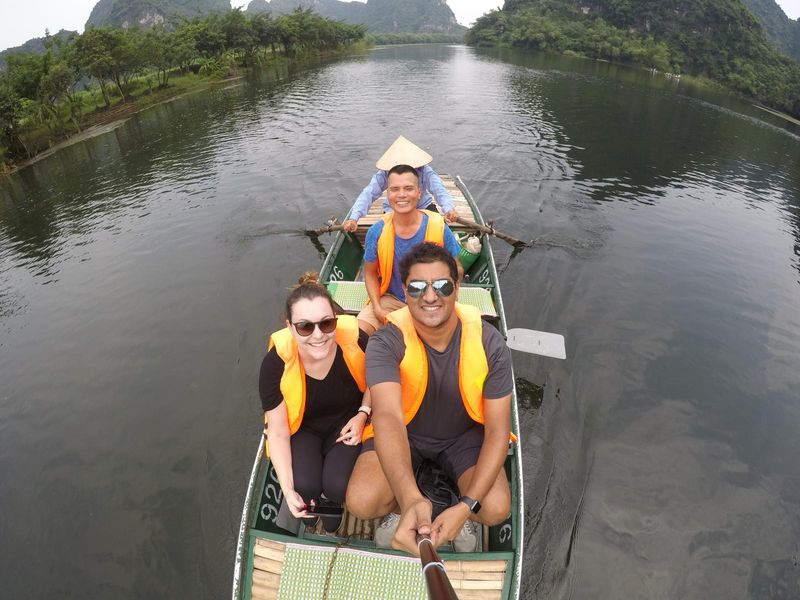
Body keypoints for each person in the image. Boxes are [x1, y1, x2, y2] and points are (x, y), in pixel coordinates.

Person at [345, 242, 513, 554]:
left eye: (442, 286)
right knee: (361, 500)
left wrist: (466, 506)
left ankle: (455, 506)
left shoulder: (491, 344)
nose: (431, 296)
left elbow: (498, 432)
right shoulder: (386, 341)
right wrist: (408, 498)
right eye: (418, 287)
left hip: (463, 438)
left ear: (457, 287)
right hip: (406, 434)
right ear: (405, 292)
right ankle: (409, 505)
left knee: (495, 507)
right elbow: (389, 419)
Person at [259, 272, 372, 532]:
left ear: (336, 319)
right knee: (304, 484)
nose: (318, 335)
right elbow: (277, 431)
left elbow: (379, 382)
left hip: (347, 424)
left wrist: (363, 414)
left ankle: (329, 499)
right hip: (303, 429)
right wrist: (287, 491)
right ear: (289, 327)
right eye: (305, 327)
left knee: (337, 485)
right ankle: (312, 495)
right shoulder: (274, 364)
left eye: (326, 324)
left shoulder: (355, 340)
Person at [357, 164, 463, 335]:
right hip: (391, 299)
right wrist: (377, 308)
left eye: (408, 188)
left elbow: (456, 268)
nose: (401, 195)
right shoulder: (377, 232)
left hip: (431, 297)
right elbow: (369, 273)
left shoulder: (438, 227)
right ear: (388, 195)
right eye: (395, 189)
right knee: (357, 334)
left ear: (419, 193)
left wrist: (447, 297)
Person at [342, 136, 459, 232]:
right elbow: (369, 193)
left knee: (443, 231)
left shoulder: (424, 170)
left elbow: (439, 190)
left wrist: (448, 209)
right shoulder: (384, 173)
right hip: (394, 209)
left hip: (423, 207)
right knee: (384, 236)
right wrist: (354, 218)